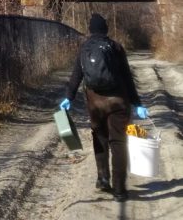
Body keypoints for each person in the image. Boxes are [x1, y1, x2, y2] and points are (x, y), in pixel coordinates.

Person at [59, 12, 148, 202]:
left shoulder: (84, 48)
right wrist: (137, 102)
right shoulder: (115, 47)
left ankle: (102, 178)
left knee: (100, 138)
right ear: (106, 29)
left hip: (95, 104)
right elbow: (126, 77)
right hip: (118, 102)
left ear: (90, 30)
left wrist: (69, 97)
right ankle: (119, 190)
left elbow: (76, 76)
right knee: (119, 143)